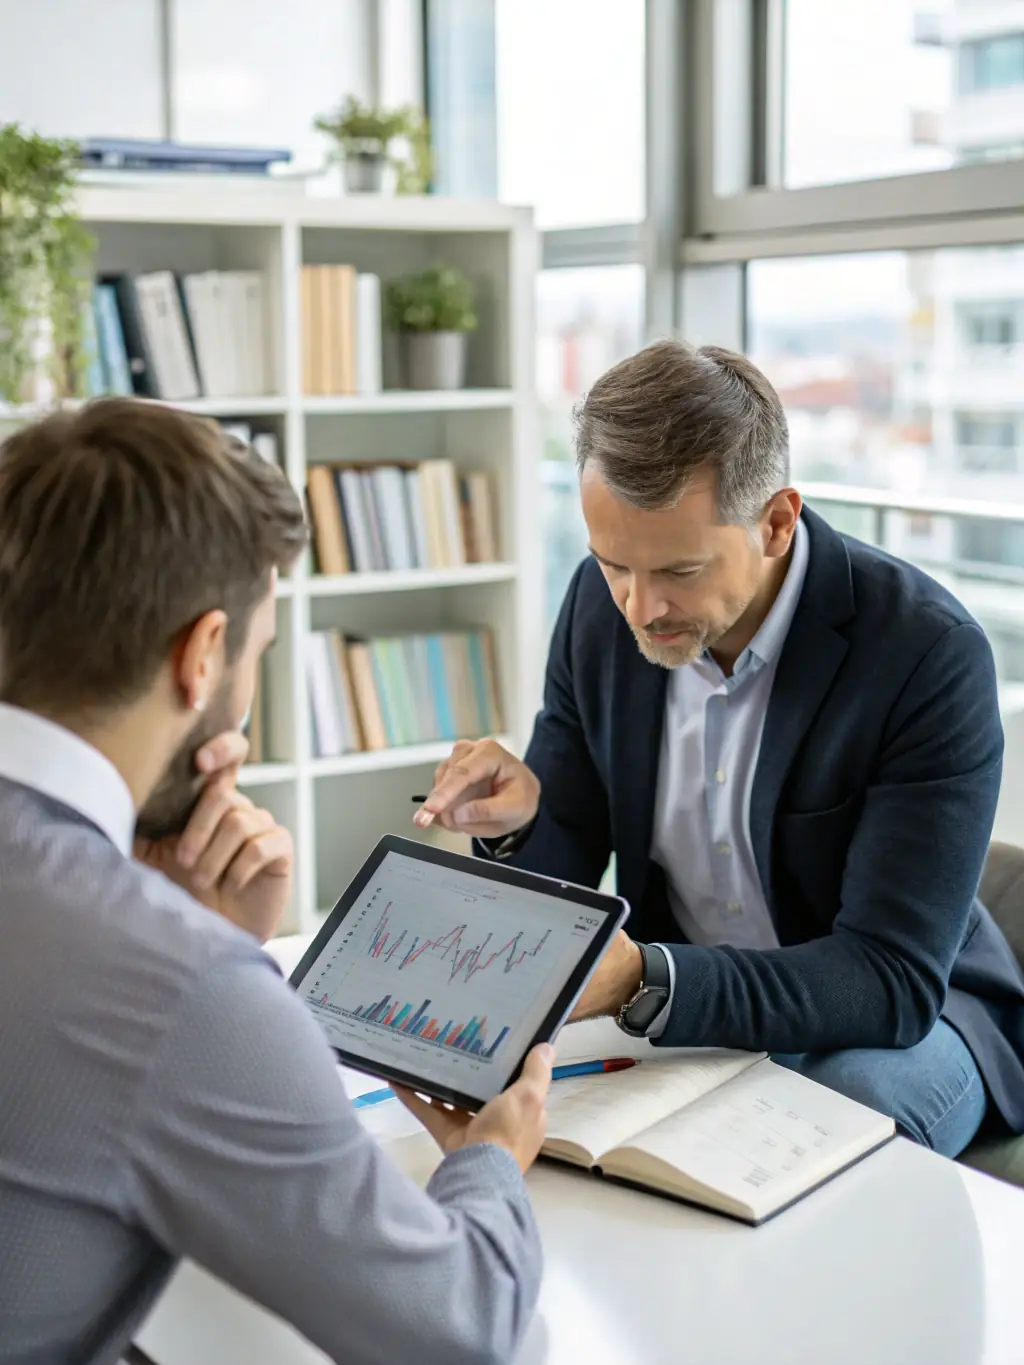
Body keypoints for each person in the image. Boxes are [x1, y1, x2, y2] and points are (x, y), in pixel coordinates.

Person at [0, 399, 552, 1365]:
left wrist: (162, 913)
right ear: (201, 653)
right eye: (257, 650)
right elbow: (458, 1333)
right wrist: (491, 1162)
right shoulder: (178, 983)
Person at [419, 339, 1024, 1159]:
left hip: (909, 1019)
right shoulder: (601, 610)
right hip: (692, 1004)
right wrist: (523, 821)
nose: (640, 607)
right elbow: (567, 865)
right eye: (613, 564)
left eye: (680, 569)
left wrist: (648, 978)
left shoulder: (926, 654)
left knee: (824, 1122)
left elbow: (888, 978)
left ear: (776, 522)